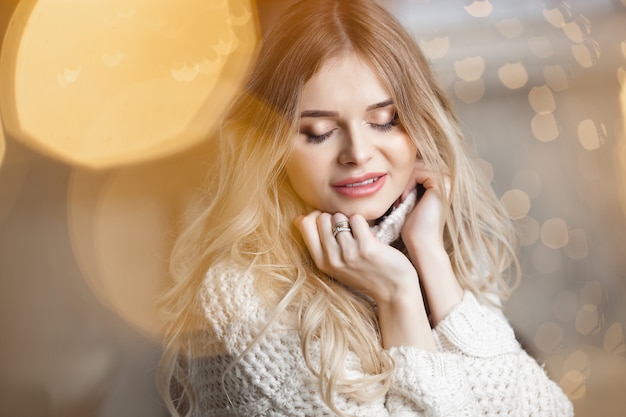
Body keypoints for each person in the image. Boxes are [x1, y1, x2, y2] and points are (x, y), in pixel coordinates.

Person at [157, 0, 574, 416]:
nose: (357, 153)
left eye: (385, 120)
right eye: (319, 132)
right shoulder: (244, 296)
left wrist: (429, 256)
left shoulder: (434, 243)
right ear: (272, 147)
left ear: (418, 123)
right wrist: (398, 295)